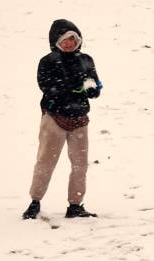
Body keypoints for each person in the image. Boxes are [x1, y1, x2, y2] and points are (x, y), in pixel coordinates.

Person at [22, 19, 102, 220]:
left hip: (80, 119)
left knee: (80, 164)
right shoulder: (48, 61)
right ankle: (35, 201)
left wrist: (93, 89)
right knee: (46, 161)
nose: (69, 43)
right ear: (56, 41)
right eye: (65, 40)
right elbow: (47, 87)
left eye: (73, 39)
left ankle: (75, 205)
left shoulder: (86, 60)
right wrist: (70, 88)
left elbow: (92, 80)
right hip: (54, 118)